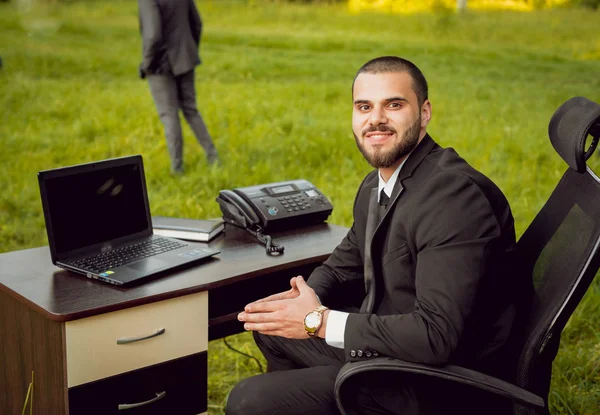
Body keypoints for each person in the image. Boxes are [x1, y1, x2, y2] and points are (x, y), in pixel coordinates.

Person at [225, 56, 526, 415]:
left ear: (425, 113)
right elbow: (341, 268)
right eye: (364, 106)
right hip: (395, 346)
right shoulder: (379, 183)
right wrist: (303, 301)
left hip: (438, 383)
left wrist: (317, 321)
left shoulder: (452, 199)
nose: (376, 119)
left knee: (249, 401)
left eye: (394, 105)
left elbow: (435, 337)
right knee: (275, 328)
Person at [138, 0, 218, 174]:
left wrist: (146, 64)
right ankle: (213, 157)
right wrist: (188, 51)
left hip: (159, 65)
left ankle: (177, 169)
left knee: (169, 115)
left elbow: (153, 35)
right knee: (191, 110)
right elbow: (197, 23)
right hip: (185, 58)